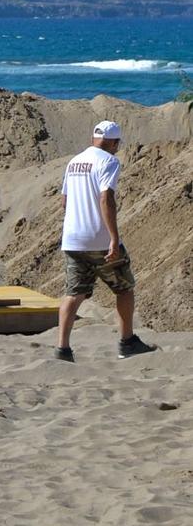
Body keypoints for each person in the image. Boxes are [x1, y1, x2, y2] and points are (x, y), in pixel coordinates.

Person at [55, 118, 154, 361]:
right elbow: (106, 198)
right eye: (116, 143)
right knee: (124, 288)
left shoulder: (74, 162)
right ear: (111, 142)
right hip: (98, 239)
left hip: (72, 240)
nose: (117, 147)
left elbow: (64, 201)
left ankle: (63, 349)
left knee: (73, 293)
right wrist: (114, 238)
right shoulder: (108, 161)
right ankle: (127, 341)